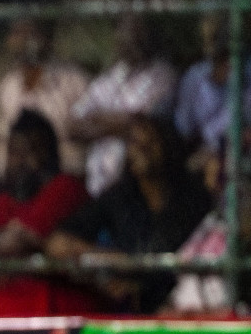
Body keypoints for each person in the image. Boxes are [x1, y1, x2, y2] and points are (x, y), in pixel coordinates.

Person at [46, 115, 211, 312]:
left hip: (185, 304)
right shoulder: (119, 196)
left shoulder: (192, 196)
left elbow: (159, 257)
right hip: (130, 308)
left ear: (168, 145)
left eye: (151, 141)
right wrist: (109, 264)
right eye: (134, 142)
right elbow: (58, 244)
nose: (142, 149)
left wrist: (128, 265)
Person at [0, 111, 92, 315]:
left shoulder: (65, 188)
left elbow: (18, 241)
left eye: (31, 151)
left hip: (61, 324)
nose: (21, 161)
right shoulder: (2, 201)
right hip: (4, 327)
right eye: (14, 152)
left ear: (50, 155)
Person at [69, 14, 178, 197]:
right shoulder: (109, 78)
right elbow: (73, 126)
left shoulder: (162, 75)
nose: (129, 39)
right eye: (124, 32)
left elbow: (142, 125)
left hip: (137, 184)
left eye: (136, 33)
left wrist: (98, 119)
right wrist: (118, 124)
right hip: (98, 185)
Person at [0, 18, 89, 179]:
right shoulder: (8, 86)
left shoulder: (74, 82)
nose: (24, 41)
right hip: (13, 183)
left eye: (30, 33)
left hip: (63, 179)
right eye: (17, 33)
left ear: (46, 38)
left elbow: (87, 131)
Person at [173, 14, 250, 184]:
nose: (212, 43)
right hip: (206, 155)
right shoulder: (195, 76)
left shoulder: (247, 71)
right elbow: (185, 130)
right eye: (208, 37)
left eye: (216, 35)